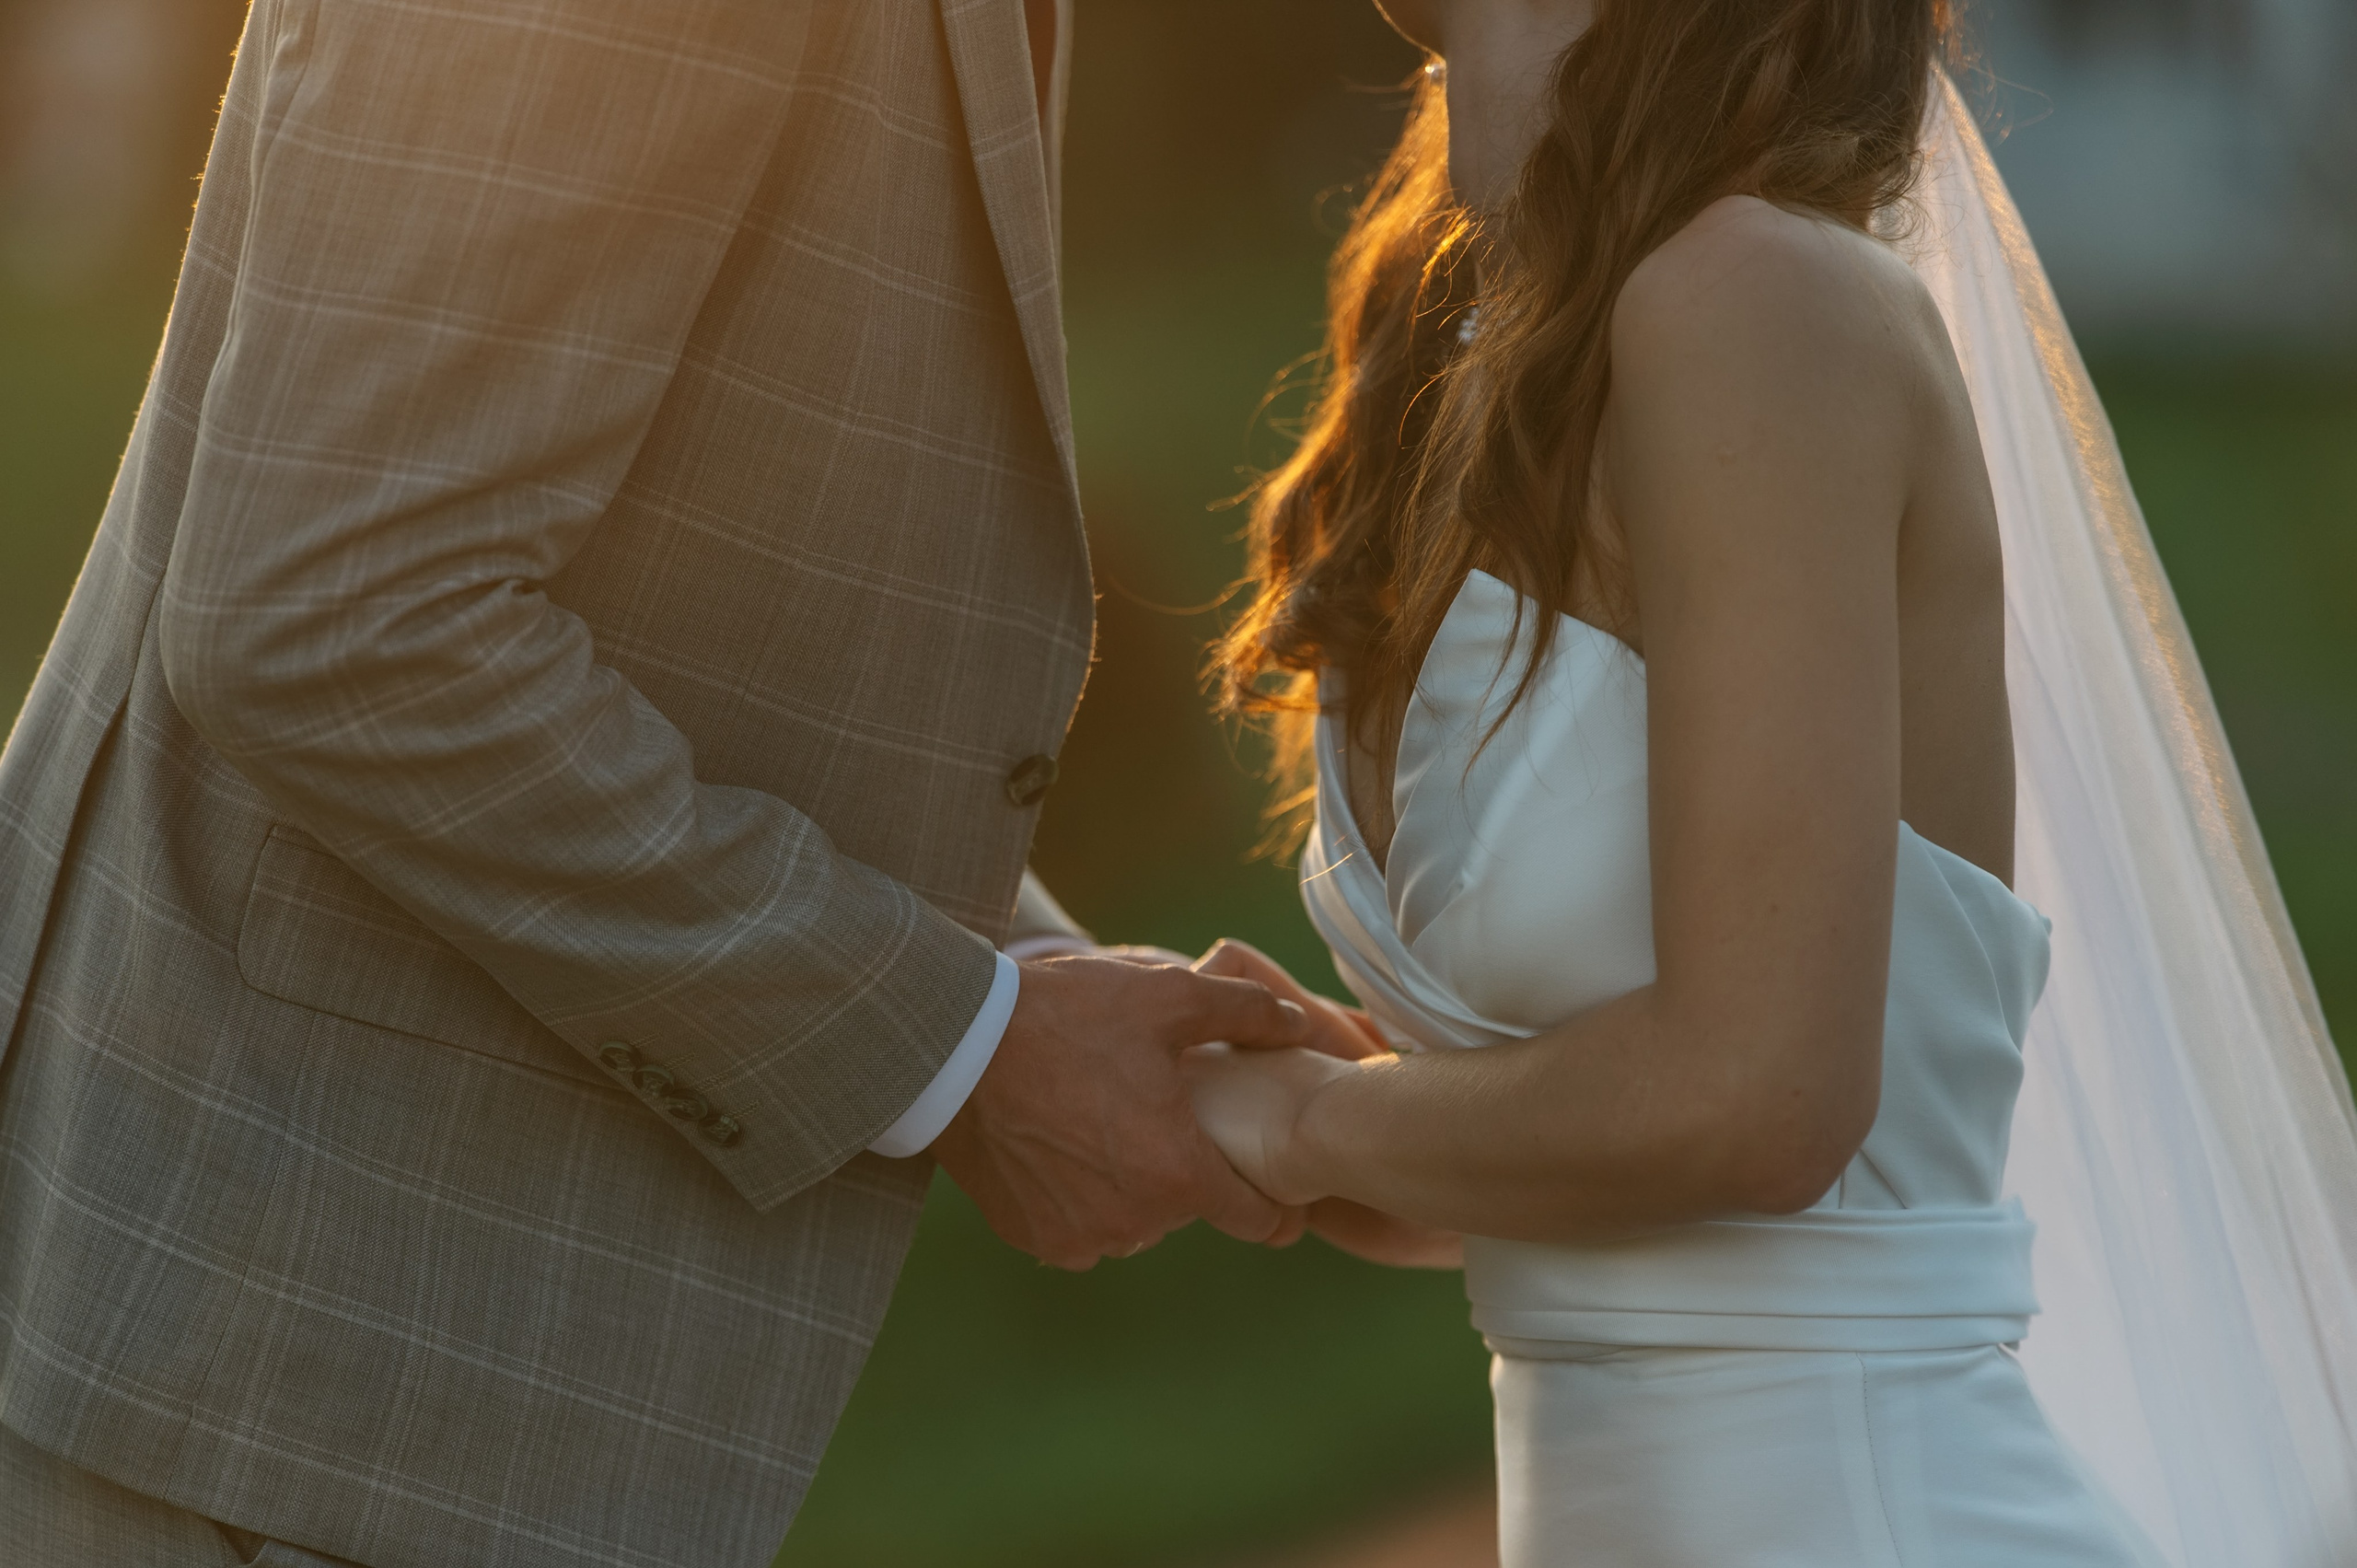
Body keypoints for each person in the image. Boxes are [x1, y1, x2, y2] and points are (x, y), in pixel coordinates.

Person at [0, 2, 1319, 1564]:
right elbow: (342, 622)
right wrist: (954, 1047)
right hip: (287, 1388)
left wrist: (1016, 986)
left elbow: (686, 561)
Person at [1188, 0, 2357, 1563]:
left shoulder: (1755, 302)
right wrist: (1243, 1081)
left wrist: (1315, 1124)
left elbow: (1762, 1105)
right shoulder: (1499, 332)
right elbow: (1617, 1187)